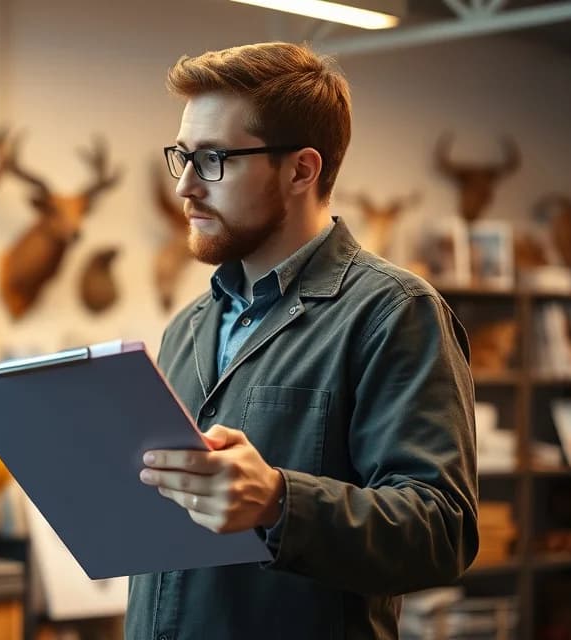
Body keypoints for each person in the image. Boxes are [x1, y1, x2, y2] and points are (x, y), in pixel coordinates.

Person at [129, 43, 478, 639]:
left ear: (301, 170)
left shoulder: (393, 312)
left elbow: (442, 528)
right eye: (181, 157)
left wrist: (277, 500)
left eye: (213, 159)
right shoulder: (185, 327)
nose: (186, 186)